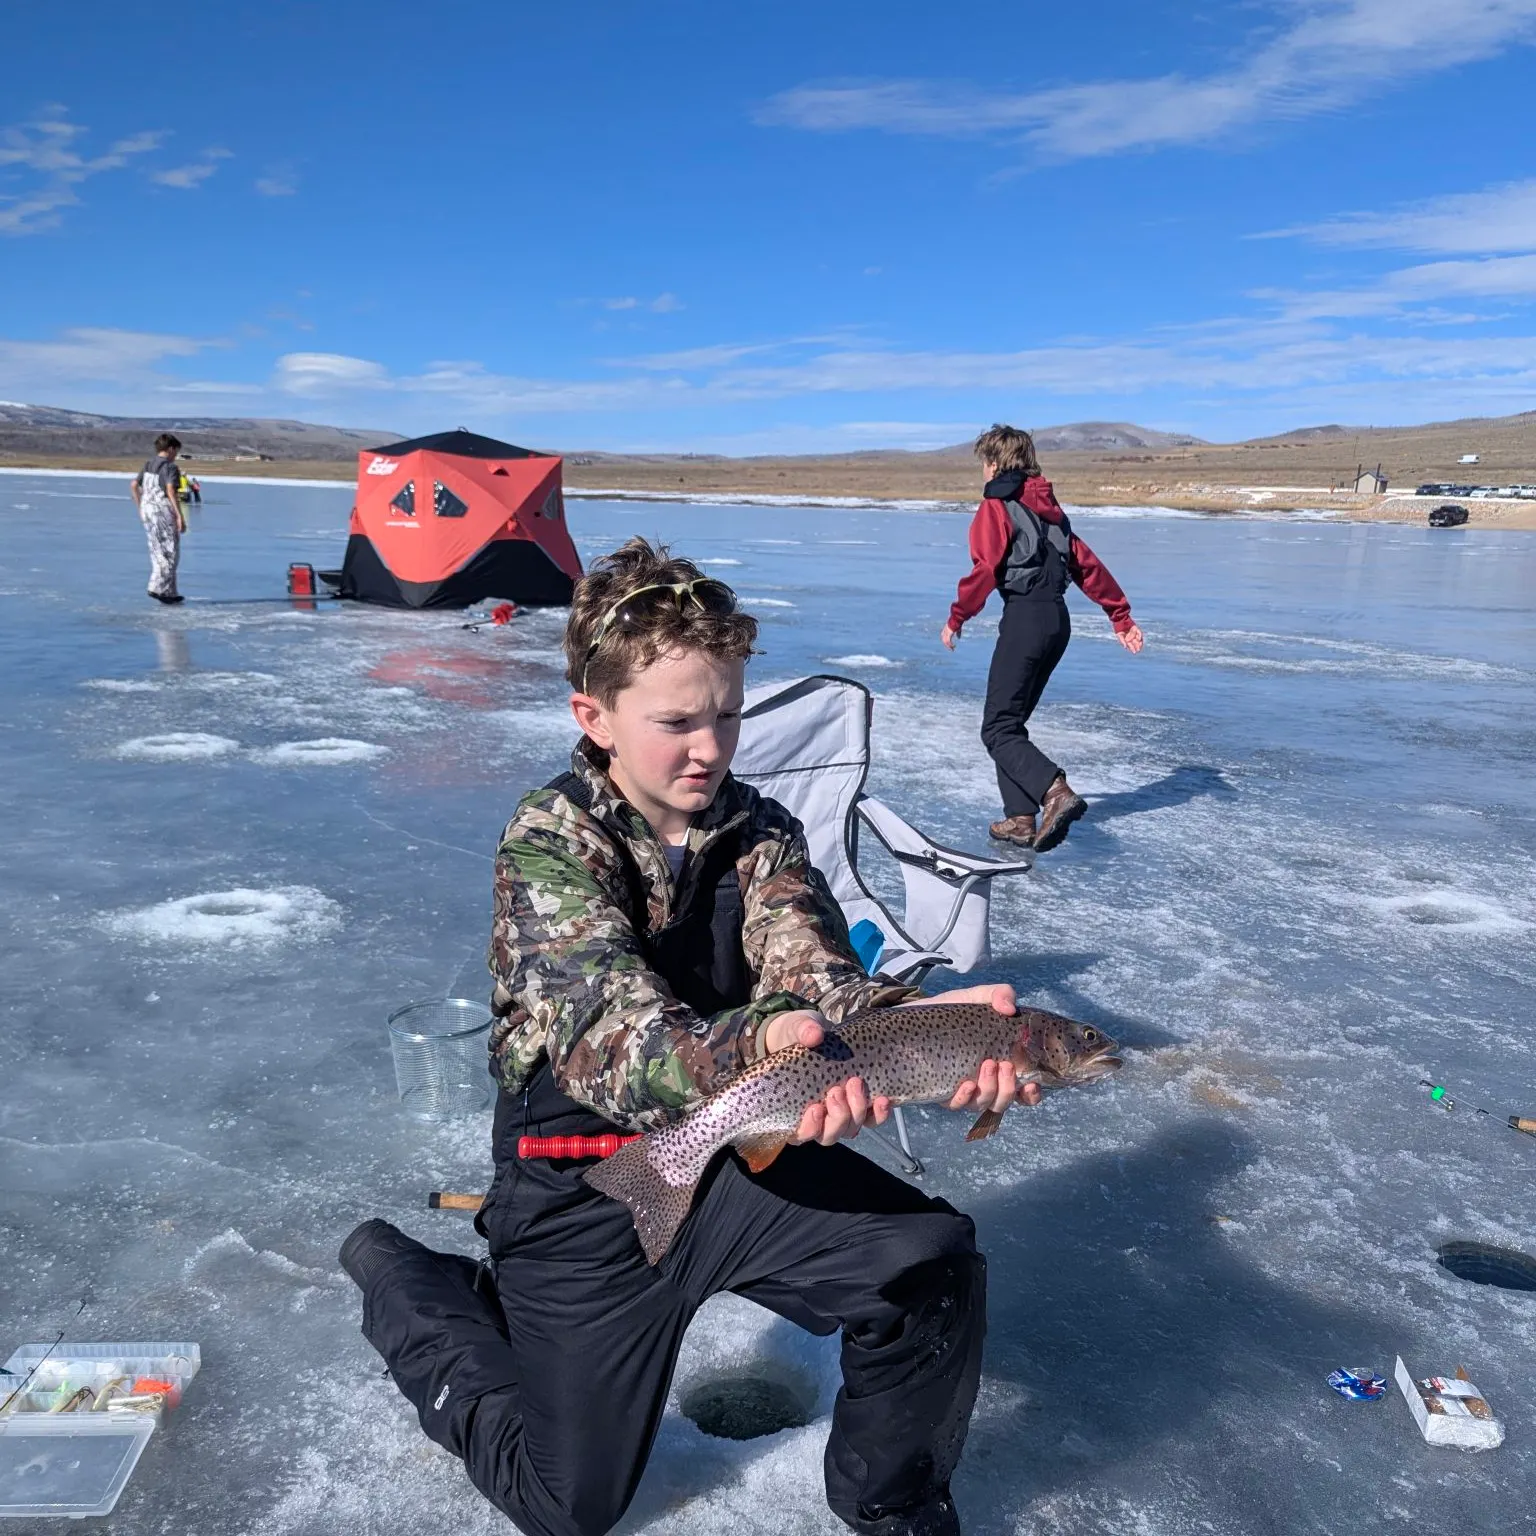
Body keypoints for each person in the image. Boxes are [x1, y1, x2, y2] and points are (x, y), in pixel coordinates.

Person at [340, 536, 1041, 1536]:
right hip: (587, 1188)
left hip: (733, 1170)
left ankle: (893, 1509)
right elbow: (611, 1037)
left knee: (931, 1262)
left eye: (726, 714)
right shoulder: (549, 843)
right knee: (567, 1502)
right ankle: (408, 1279)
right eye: (676, 721)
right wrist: (766, 1045)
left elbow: (817, 973)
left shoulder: (760, 832)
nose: (709, 747)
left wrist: (912, 1030)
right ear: (595, 718)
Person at [941, 424, 1144, 852]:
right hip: (1057, 621)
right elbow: (1088, 567)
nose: (982, 470)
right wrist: (1119, 616)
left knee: (997, 728)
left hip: (1026, 620)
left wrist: (957, 616)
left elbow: (985, 569)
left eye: (984, 461)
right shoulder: (1052, 511)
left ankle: (1054, 791)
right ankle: (1019, 818)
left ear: (995, 463)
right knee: (1009, 722)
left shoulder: (997, 507)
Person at [129, 432, 186, 604]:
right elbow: (170, 490)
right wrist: (179, 516)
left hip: (148, 511)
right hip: (162, 511)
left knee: (156, 549)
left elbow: (133, 485)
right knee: (170, 551)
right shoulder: (169, 467)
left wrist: (140, 507)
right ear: (170, 449)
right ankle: (157, 588)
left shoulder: (148, 464)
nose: (176, 456)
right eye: (175, 452)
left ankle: (170, 591)